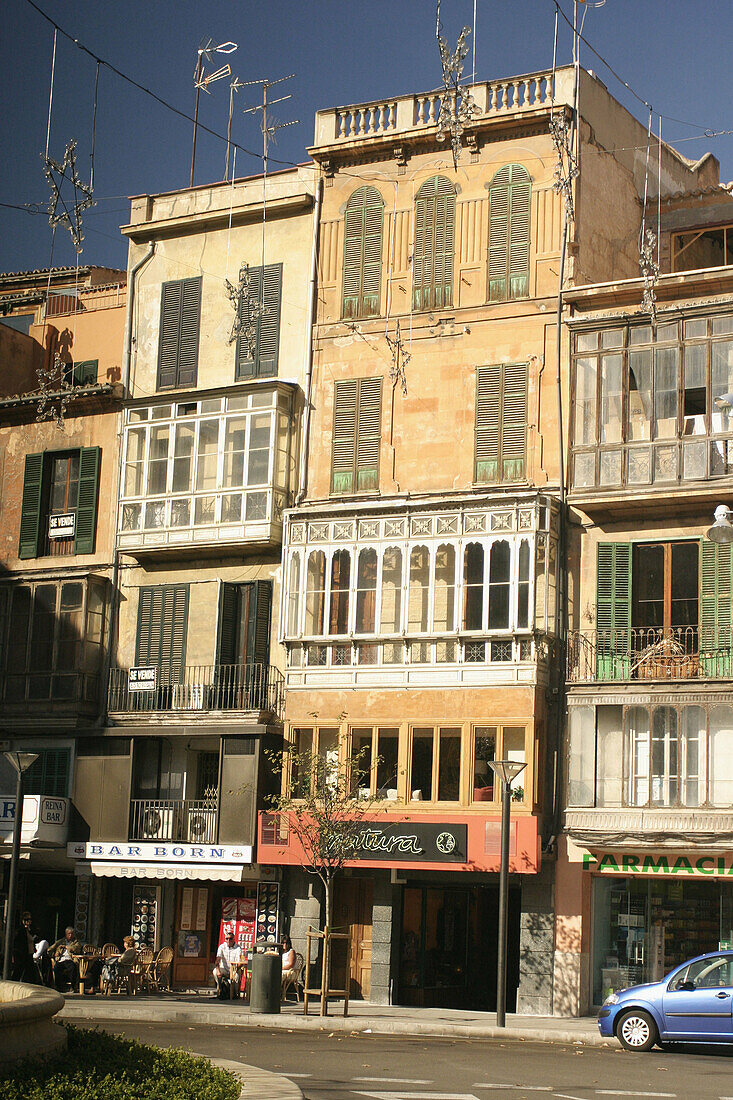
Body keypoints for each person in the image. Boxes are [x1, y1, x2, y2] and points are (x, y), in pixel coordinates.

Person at [49, 926, 82, 992]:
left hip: (70, 959)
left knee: (72, 967)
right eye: (69, 934)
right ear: (66, 934)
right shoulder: (60, 942)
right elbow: (50, 949)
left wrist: (67, 947)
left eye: (72, 934)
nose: (70, 935)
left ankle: (72, 986)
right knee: (56, 968)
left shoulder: (76, 942)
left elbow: (76, 948)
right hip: (61, 959)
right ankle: (58, 986)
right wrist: (54, 954)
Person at [213, 930, 242, 999]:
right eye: (227, 938)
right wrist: (218, 970)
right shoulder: (222, 947)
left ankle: (234, 993)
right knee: (214, 972)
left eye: (230, 938)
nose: (228, 940)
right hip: (224, 968)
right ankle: (221, 989)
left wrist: (234, 970)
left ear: (234, 939)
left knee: (236, 977)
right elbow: (218, 959)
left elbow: (239, 962)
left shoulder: (238, 948)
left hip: (234, 969)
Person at [11, 912, 37, 983]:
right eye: (26, 919)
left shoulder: (30, 930)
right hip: (22, 954)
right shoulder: (21, 930)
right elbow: (18, 942)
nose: (29, 921)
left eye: (29, 919)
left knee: (30, 972)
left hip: (29, 953)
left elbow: (33, 938)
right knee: (19, 970)